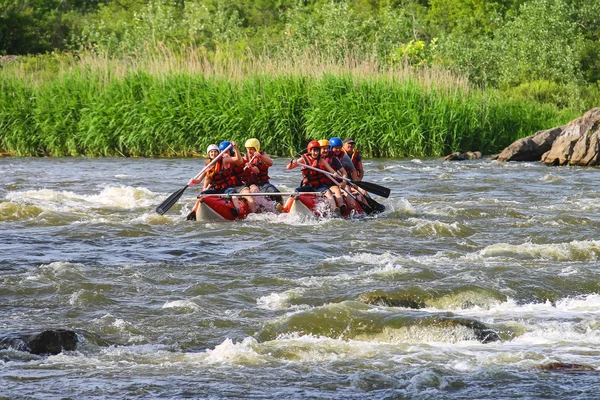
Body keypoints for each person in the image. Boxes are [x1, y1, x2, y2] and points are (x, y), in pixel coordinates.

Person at [287, 140, 341, 212]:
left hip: (320, 185)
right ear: (310, 151)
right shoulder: (303, 159)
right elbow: (288, 168)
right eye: (314, 151)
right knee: (294, 192)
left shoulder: (321, 160)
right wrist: (292, 162)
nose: (316, 153)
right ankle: (285, 209)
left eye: (317, 151)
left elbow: (331, 170)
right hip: (308, 185)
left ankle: (334, 210)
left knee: (328, 193)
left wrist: (335, 174)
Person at [195, 140, 246, 215]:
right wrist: (193, 181)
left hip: (226, 188)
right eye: (211, 152)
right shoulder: (207, 165)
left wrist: (235, 148)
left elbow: (237, 159)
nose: (213, 153)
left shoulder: (224, 160)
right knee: (201, 196)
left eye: (215, 151)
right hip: (216, 189)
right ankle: (194, 211)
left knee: (234, 196)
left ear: (218, 153)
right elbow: (198, 180)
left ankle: (237, 210)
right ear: (208, 154)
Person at [240, 138, 282, 212]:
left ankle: (280, 207)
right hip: (251, 184)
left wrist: (260, 156)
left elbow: (270, 163)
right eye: (247, 149)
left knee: (275, 193)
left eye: (251, 149)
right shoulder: (244, 158)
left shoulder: (263, 155)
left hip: (263, 182)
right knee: (254, 191)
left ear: (256, 148)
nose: (249, 151)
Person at [319, 139, 350, 213]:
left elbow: (344, 172)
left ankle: (340, 206)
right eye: (323, 149)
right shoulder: (312, 159)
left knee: (337, 190)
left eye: (327, 148)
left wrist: (344, 182)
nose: (326, 150)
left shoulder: (333, 159)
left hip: (329, 183)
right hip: (317, 184)